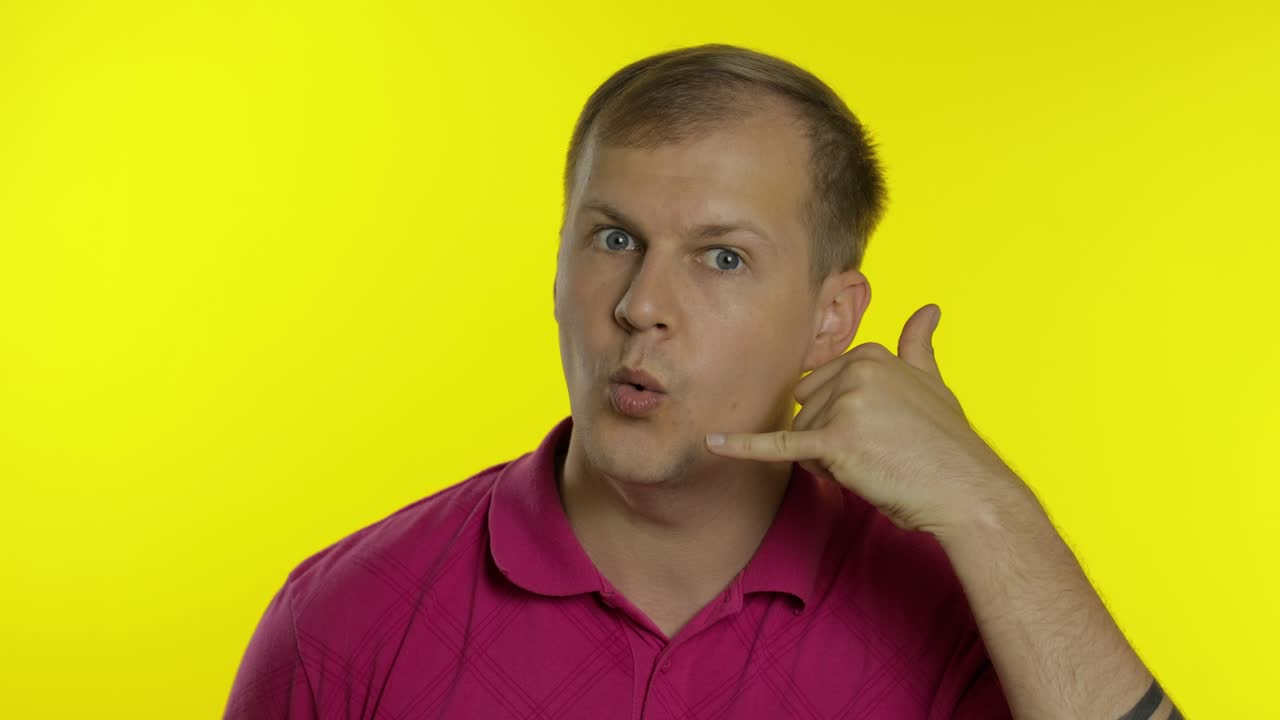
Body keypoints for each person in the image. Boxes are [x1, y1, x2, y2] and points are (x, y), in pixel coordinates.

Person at [225, 43, 1181, 719]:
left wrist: (987, 506)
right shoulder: (343, 623)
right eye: (613, 240)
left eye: (721, 259)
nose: (642, 304)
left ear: (831, 319)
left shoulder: (963, 619)